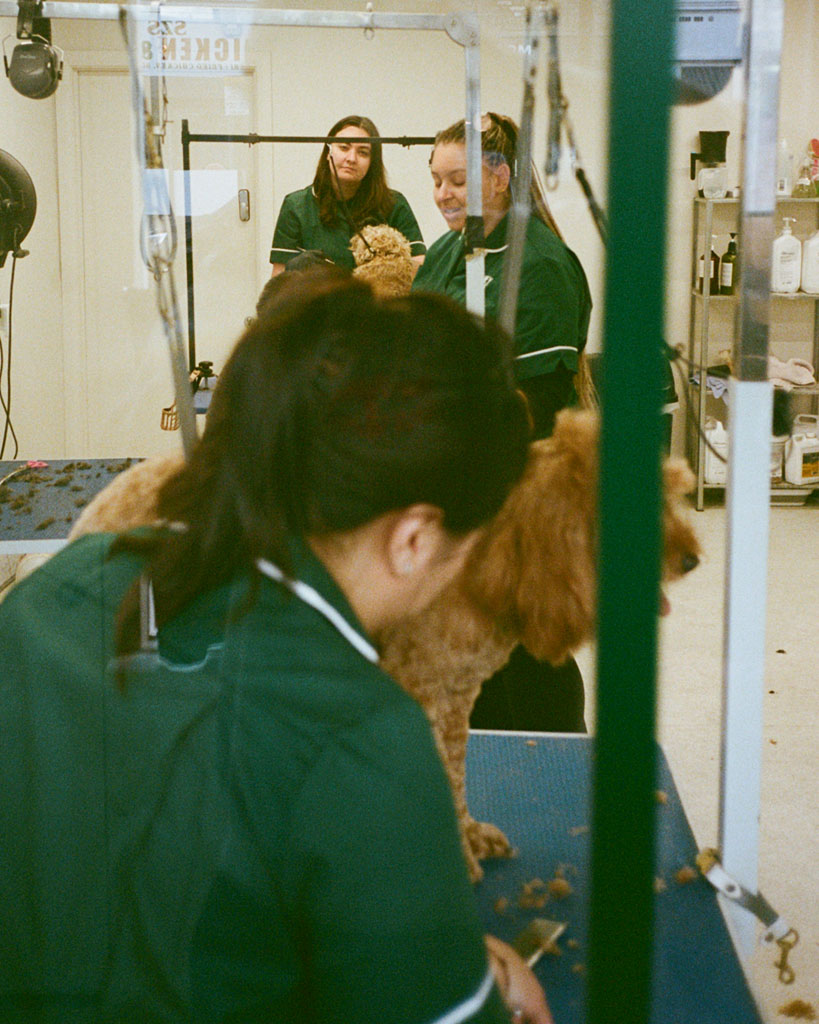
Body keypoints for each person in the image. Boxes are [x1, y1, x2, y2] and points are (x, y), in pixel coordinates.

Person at [0, 272, 552, 1024]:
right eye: (471, 545)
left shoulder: (53, 593)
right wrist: (474, 991)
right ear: (416, 537)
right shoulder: (361, 738)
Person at [413, 112, 593, 733]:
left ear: (500, 178)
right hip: (452, 485)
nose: (441, 195)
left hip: (519, 490)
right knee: (465, 654)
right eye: (436, 180)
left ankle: (557, 774)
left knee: (526, 652)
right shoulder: (442, 255)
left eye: (456, 180)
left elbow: (533, 403)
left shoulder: (540, 264)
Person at [270, 114, 426, 275]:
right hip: (318, 298)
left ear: (373, 162)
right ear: (328, 152)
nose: (351, 158)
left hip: (379, 298)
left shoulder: (394, 203)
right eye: (344, 148)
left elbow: (419, 268)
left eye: (363, 152)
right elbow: (280, 278)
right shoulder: (297, 205)